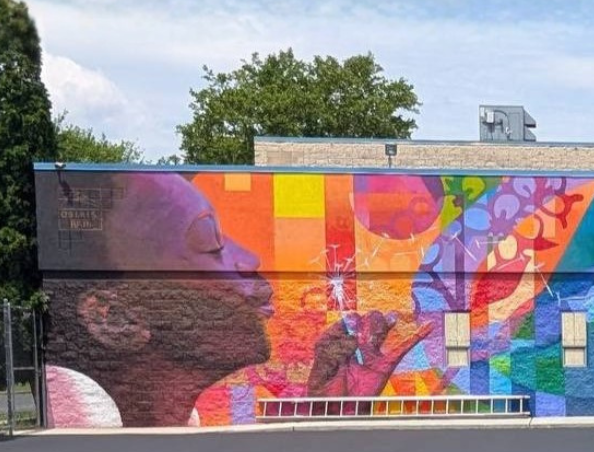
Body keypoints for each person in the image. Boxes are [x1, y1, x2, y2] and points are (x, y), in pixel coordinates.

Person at [45, 172, 425, 427]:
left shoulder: (173, 425)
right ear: (115, 319)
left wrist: (328, 407)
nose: (251, 260)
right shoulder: (87, 425)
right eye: (210, 241)